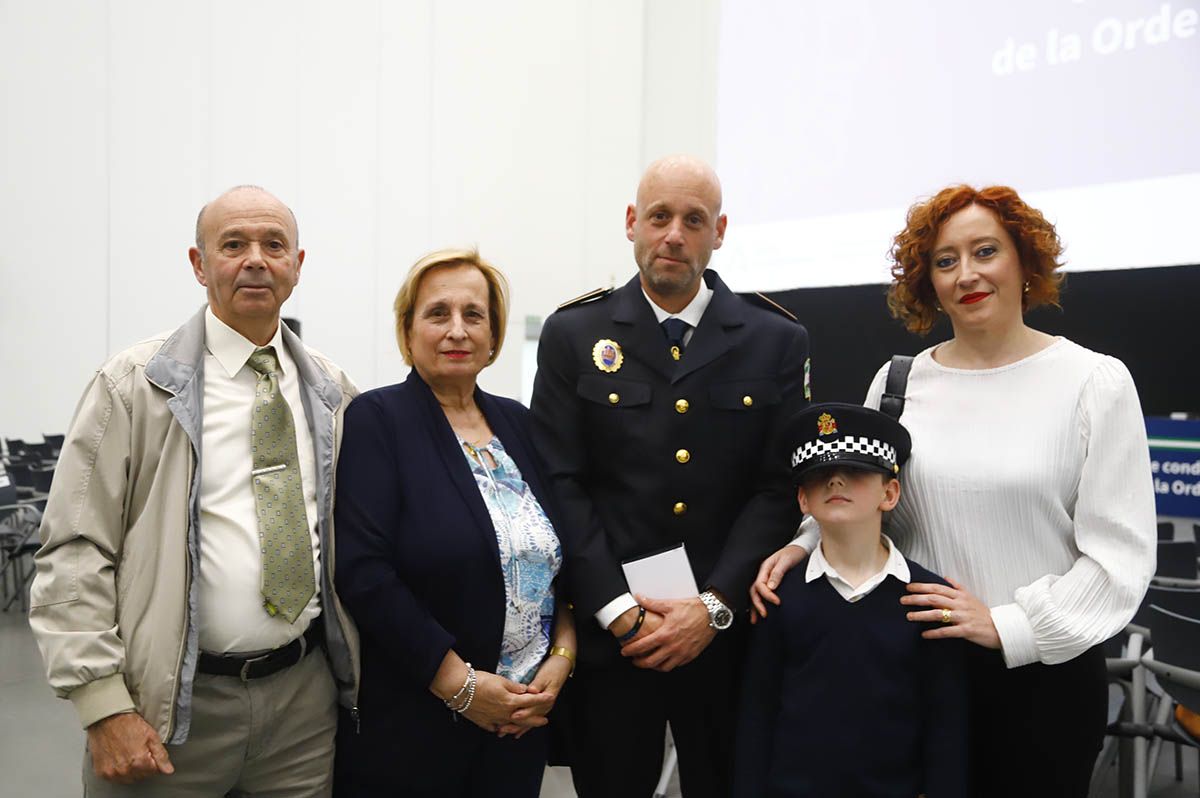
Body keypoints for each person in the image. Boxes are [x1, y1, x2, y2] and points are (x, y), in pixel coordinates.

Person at [750, 185, 1156, 797]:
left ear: (1024, 261)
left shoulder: (1094, 383)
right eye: (945, 261)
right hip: (906, 666)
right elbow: (857, 490)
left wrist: (1007, 626)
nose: (966, 274)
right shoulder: (897, 383)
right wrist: (805, 543)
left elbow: (1119, 560)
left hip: (1038, 682)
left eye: (986, 251)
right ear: (927, 282)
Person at [28, 185, 360, 796]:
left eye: (273, 245)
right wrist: (103, 706)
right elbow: (74, 551)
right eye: (233, 244)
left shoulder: (333, 391)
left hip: (303, 711)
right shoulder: (132, 387)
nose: (255, 259)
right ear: (199, 264)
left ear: (297, 266)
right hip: (166, 716)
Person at [530, 155, 811, 797]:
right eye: (659, 217)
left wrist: (712, 607)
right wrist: (617, 610)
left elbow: (778, 488)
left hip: (726, 636)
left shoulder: (774, 339)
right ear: (633, 223)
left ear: (720, 232)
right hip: (614, 636)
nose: (675, 235)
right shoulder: (575, 333)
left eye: (694, 220)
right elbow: (561, 483)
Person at [332, 249, 576, 797]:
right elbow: (363, 573)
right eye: (438, 313)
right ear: (408, 331)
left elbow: (558, 557)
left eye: (474, 314)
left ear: (494, 335)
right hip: (417, 723)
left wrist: (562, 657)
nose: (457, 330)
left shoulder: (520, 423)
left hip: (520, 721)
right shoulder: (377, 420)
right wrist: (461, 688)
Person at [734, 402, 967, 797]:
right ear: (803, 500)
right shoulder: (777, 596)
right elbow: (757, 717)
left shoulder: (927, 599)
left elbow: (947, 727)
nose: (836, 481)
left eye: (856, 472)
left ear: (890, 493)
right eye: (819, 474)